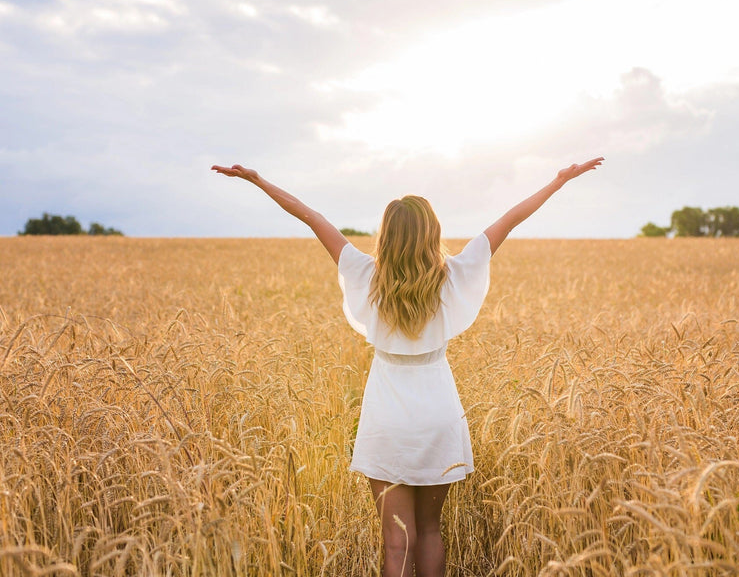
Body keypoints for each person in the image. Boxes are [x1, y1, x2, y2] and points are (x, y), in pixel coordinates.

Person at [211, 156, 604, 577]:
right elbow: (510, 219)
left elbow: (312, 217)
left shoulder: (366, 275)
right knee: (431, 530)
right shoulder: (453, 275)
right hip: (438, 413)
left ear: (388, 236)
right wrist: (559, 181)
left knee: (396, 540)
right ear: (432, 233)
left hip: (387, 418)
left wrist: (258, 181)